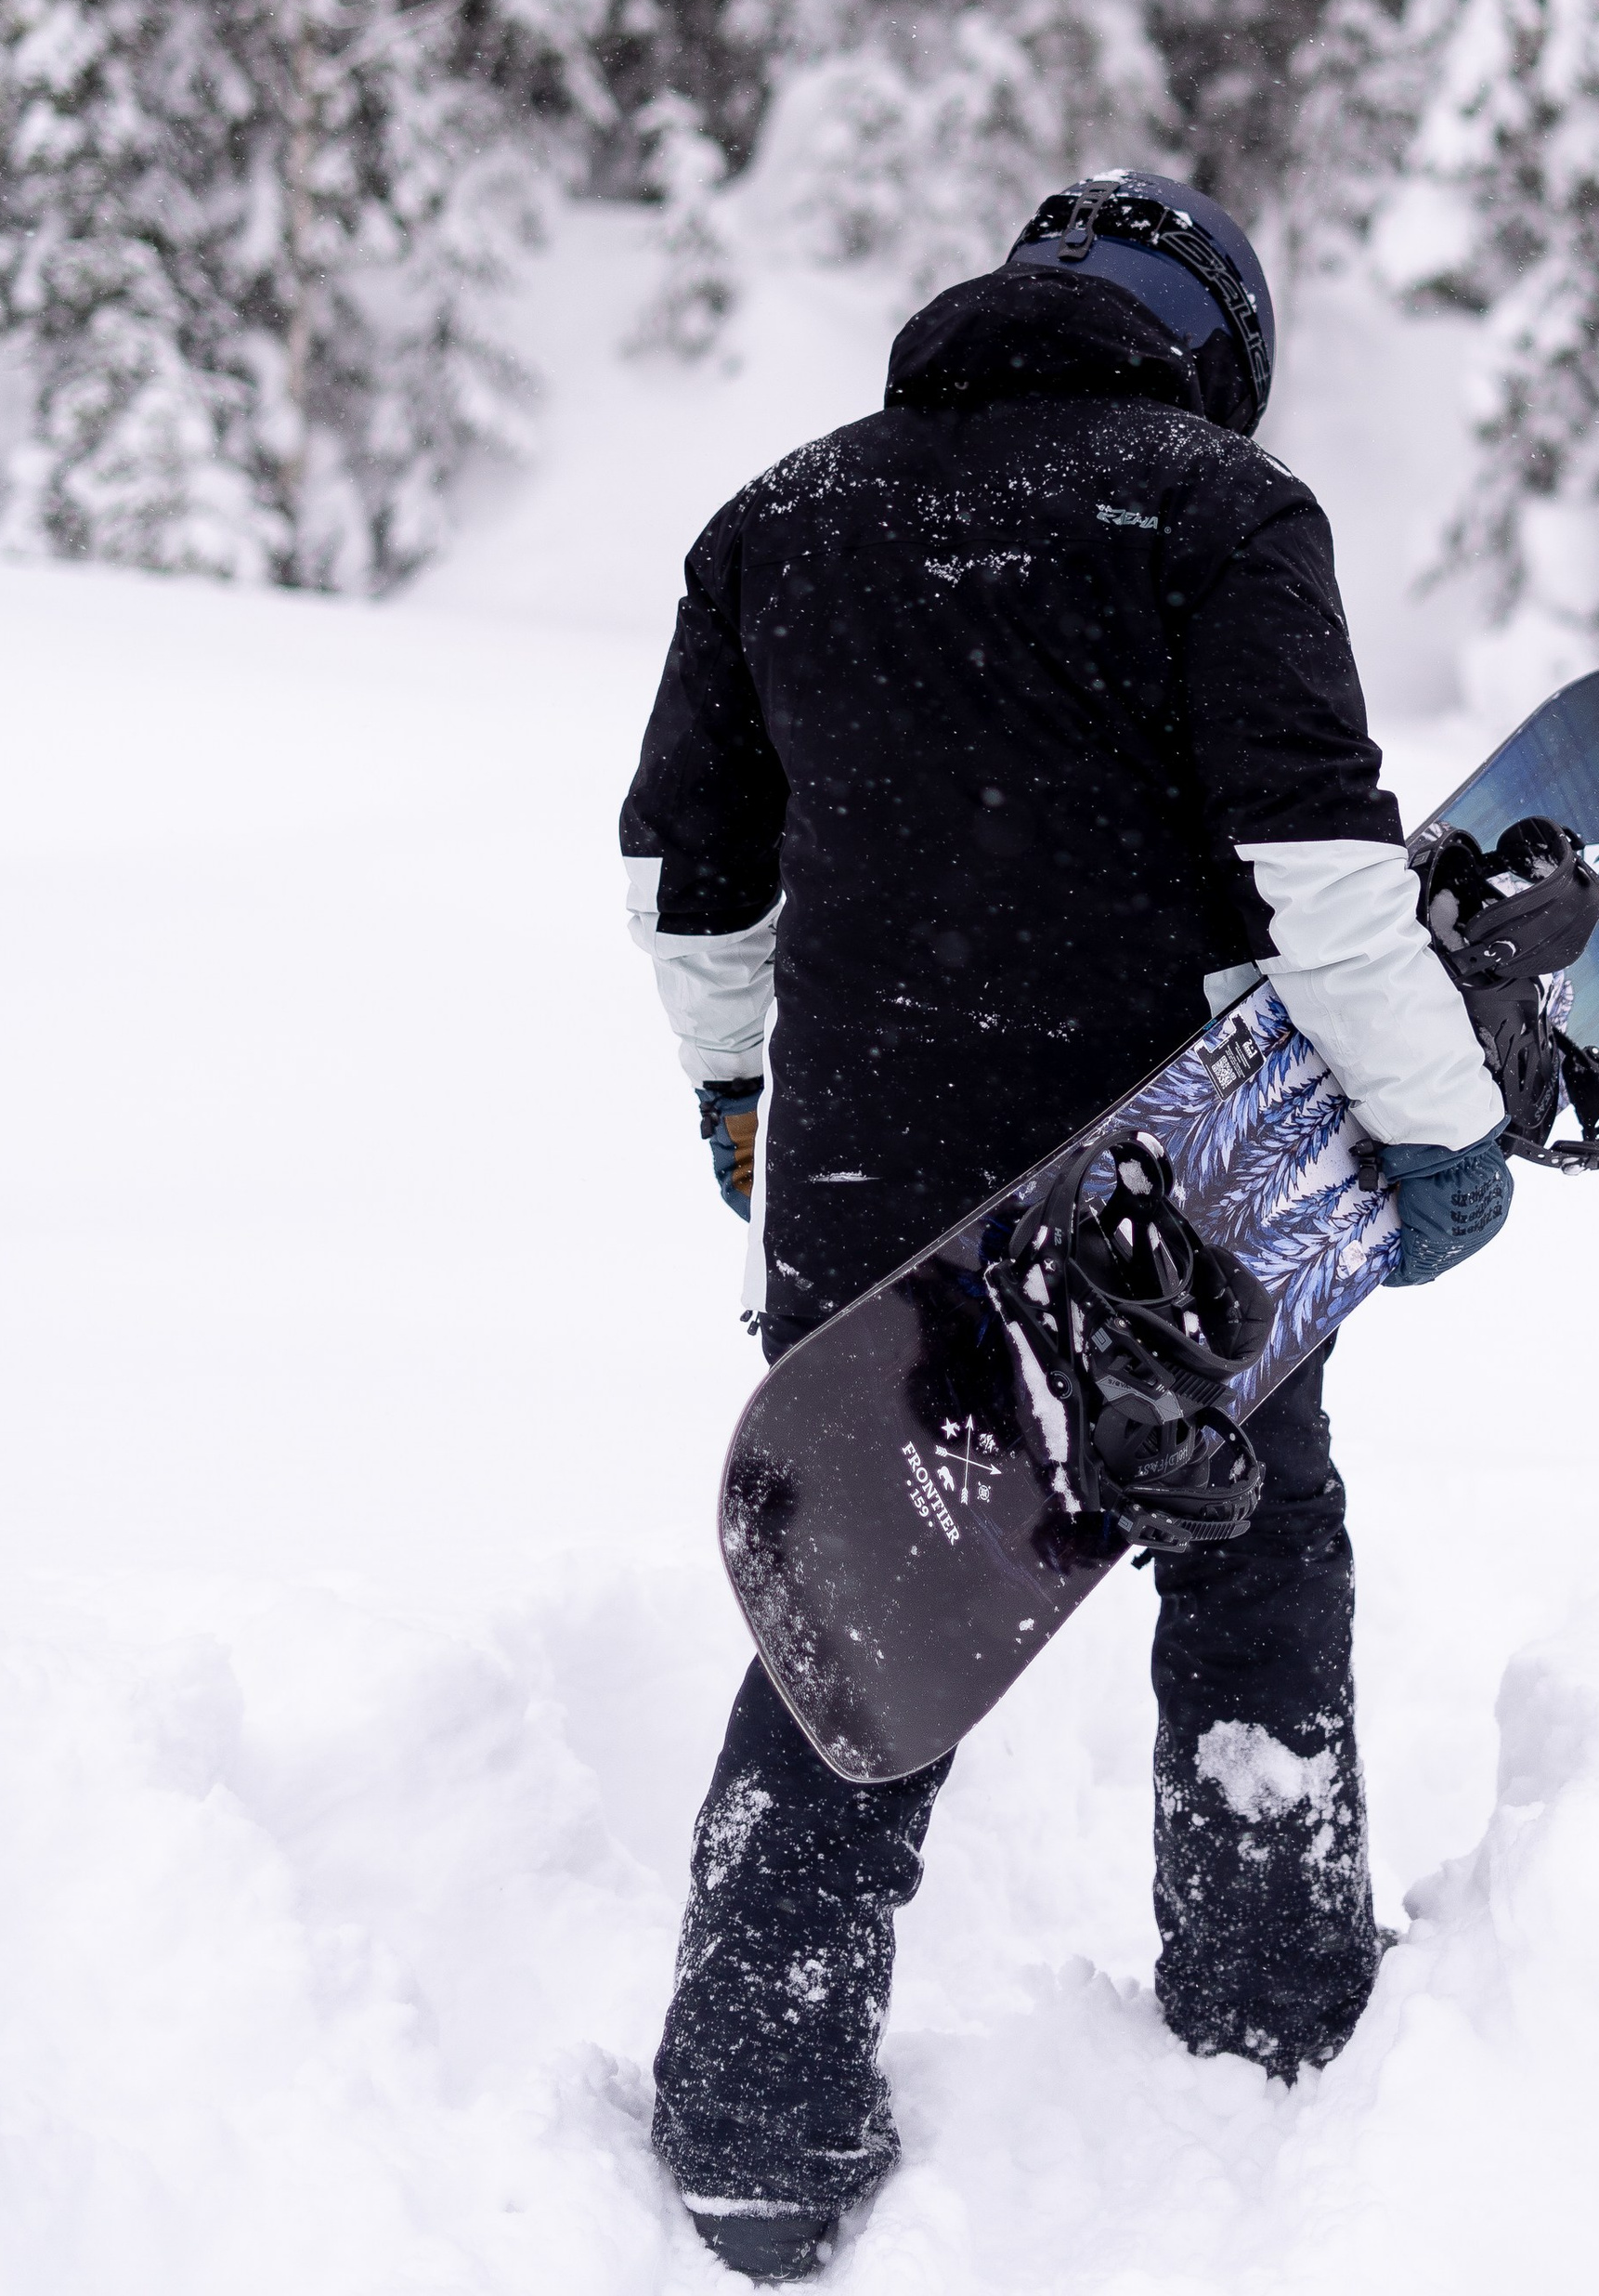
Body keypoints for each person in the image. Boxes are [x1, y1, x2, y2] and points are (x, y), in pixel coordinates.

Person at [619, 175, 1515, 2280]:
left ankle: (755, 2115)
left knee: (860, 1590)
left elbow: (689, 882)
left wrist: (741, 1101)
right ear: (1205, 342)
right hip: (1157, 1180)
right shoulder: (1214, 508)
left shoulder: (778, 518)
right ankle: (1266, 2005)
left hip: (864, 1158)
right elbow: (1317, 862)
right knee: (1252, 1540)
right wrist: (1434, 1131)